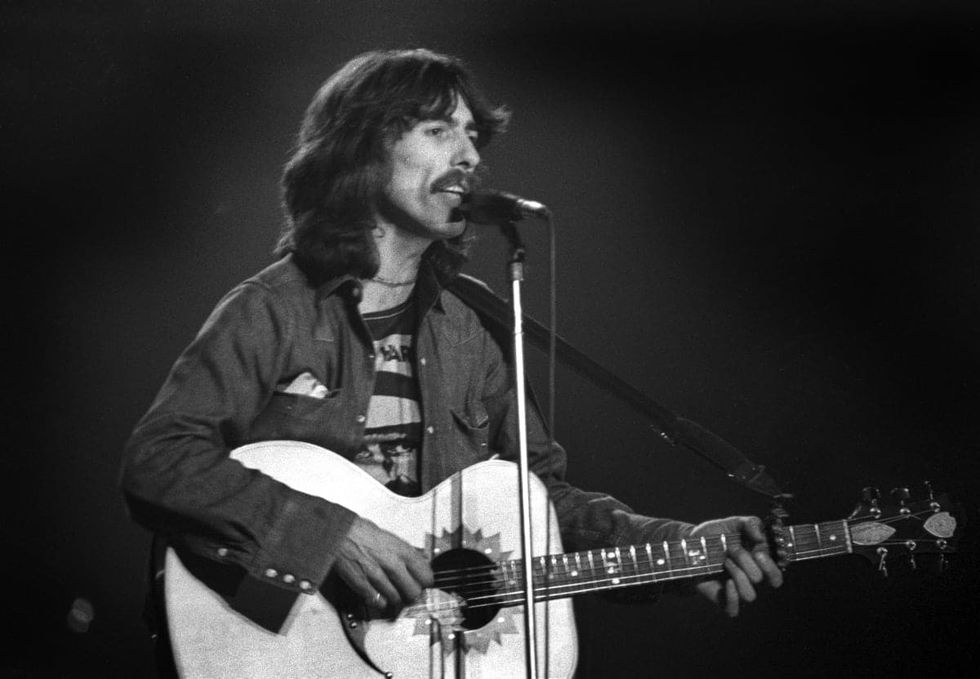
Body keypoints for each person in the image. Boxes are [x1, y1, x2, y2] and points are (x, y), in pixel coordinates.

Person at [121, 47, 782, 663]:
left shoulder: (472, 326)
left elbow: (540, 505)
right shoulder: (275, 309)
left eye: (472, 135)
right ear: (360, 152)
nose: (469, 154)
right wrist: (332, 535)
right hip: (281, 647)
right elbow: (160, 460)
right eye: (439, 130)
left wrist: (682, 544)